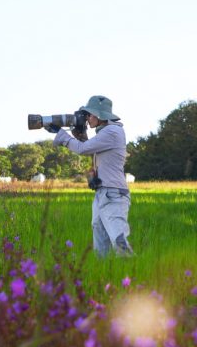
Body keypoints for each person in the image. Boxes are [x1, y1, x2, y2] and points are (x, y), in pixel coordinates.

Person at [45, 95, 134, 257]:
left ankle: (135, 276)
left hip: (113, 194)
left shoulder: (112, 131)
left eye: (89, 114)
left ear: (100, 116)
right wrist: (80, 136)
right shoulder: (106, 132)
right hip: (103, 192)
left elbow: (83, 149)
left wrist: (61, 134)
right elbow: (89, 148)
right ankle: (104, 275)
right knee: (100, 242)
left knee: (118, 239)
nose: (87, 118)